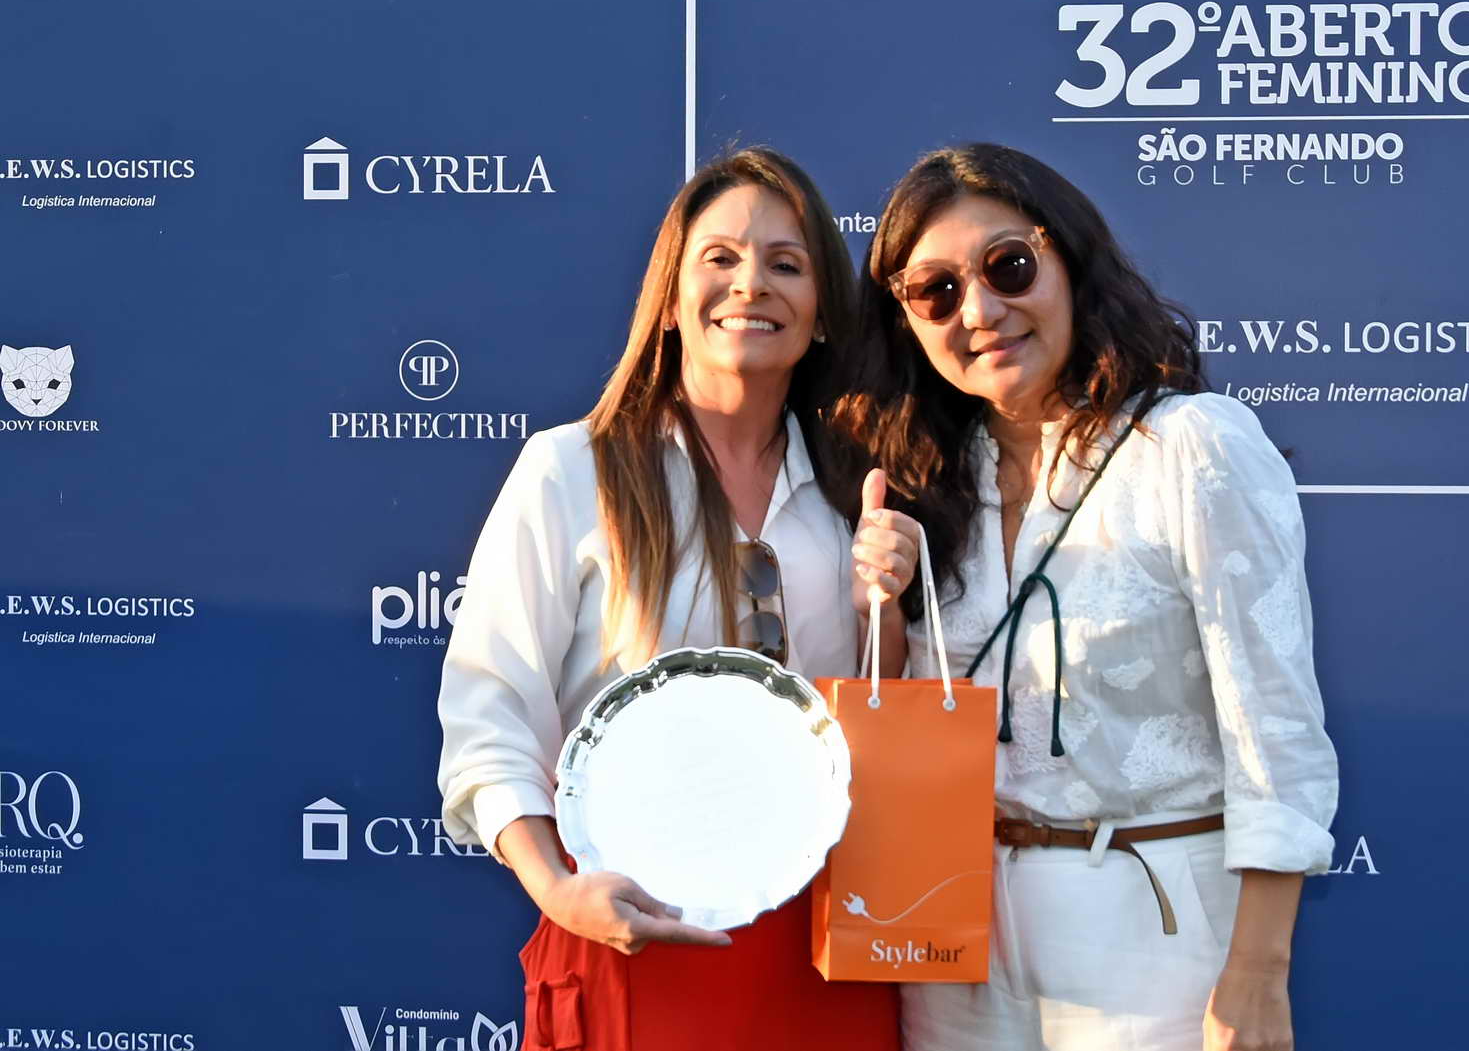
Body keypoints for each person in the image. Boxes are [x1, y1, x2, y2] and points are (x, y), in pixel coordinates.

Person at [831, 143, 1339, 1050]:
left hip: (1154, 922)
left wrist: (1259, 973)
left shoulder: (1190, 446)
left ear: (1067, 256)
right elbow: (909, 724)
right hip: (955, 934)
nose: (979, 312)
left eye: (1007, 266)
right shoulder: (929, 479)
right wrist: (881, 602)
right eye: (936, 291)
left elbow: (1276, 729)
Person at [436, 147, 918, 1051]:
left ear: (822, 313)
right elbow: (488, 716)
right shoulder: (570, 470)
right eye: (721, 258)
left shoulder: (860, 491)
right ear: (668, 298)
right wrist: (558, 890)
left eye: (787, 263)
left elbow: (884, 722)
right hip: (628, 931)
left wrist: (884, 608)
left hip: (827, 945)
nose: (752, 284)